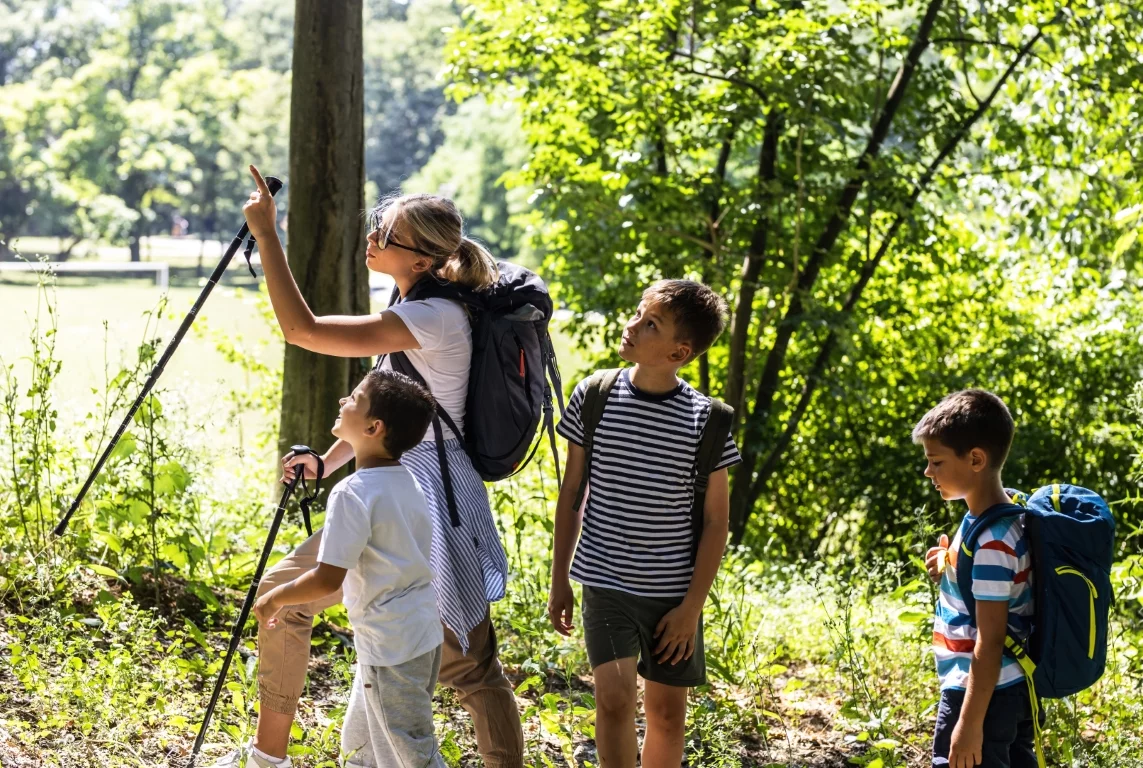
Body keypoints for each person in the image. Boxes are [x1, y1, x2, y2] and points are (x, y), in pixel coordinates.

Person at [212, 167, 524, 768]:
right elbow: (384, 411)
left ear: (423, 259)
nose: (373, 237)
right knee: (288, 598)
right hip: (397, 481)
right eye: (378, 225)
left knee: (469, 662)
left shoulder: (434, 317)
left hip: (432, 496)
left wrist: (267, 235)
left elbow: (302, 331)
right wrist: (325, 462)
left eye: (388, 234)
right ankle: (268, 758)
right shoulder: (410, 303)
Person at [547, 280, 741, 768]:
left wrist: (691, 608)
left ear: (679, 352)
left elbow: (716, 521)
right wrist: (559, 579)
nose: (632, 325)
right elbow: (571, 495)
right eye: (638, 313)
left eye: (650, 323)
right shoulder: (595, 395)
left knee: (668, 716)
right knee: (614, 701)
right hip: (606, 583)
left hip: (673, 596)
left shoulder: (708, 421)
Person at [253, 370, 444, 767]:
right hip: (419, 635)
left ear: (373, 428)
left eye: (354, 398)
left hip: (389, 648)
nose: (343, 401)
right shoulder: (408, 482)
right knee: (360, 752)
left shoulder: (353, 492)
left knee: (413, 753)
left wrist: (276, 598)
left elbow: (327, 579)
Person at [915, 390, 1039, 768]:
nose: (928, 472)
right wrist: (950, 567)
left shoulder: (991, 541)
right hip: (1011, 688)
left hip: (981, 693)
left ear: (975, 459)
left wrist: (968, 724)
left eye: (936, 462)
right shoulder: (998, 517)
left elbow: (991, 638)